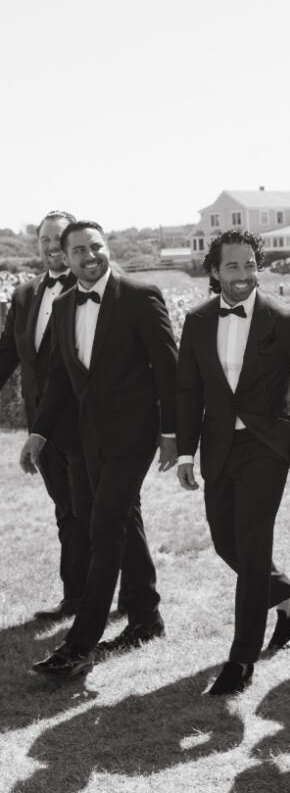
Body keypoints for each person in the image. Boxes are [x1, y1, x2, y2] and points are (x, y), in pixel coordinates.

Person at [176, 229, 290, 695]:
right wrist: (186, 450)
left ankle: (241, 658)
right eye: (233, 266)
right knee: (225, 542)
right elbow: (187, 390)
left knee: (250, 549)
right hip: (218, 446)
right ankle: (286, 593)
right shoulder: (198, 320)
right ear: (214, 271)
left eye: (250, 265)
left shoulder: (284, 320)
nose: (244, 274)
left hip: (267, 449)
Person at [21, 220, 178, 679]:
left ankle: (78, 644)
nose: (89, 256)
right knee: (117, 518)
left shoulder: (141, 295)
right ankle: (147, 617)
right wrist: (39, 432)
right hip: (89, 438)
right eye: (79, 251)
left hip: (135, 435)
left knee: (105, 526)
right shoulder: (66, 304)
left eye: (96, 247)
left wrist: (172, 434)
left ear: (107, 248)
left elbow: (168, 370)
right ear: (65, 259)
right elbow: (60, 383)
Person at [0, 210, 92, 619]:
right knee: (66, 511)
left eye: (60, 239)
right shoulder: (23, 296)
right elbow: (7, 355)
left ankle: (136, 600)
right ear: (37, 245)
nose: (53, 247)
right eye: (45, 240)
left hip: (87, 422)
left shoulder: (92, 287)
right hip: (43, 424)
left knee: (106, 511)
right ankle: (76, 597)